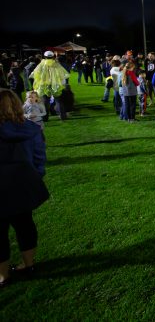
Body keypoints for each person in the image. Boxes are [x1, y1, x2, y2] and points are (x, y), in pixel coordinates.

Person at [0, 90, 49, 287]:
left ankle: (3, 275)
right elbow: (39, 158)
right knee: (25, 223)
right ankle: (28, 264)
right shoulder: (31, 128)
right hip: (23, 182)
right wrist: (35, 175)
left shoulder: (30, 128)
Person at [29, 51, 70, 122]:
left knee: (45, 102)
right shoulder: (56, 64)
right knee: (58, 101)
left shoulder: (41, 64)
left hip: (44, 86)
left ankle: (45, 118)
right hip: (55, 86)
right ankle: (63, 116)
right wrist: (62, 84)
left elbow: (34, 74)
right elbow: (63, 75)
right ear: (53, 56)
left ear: (44, 57)